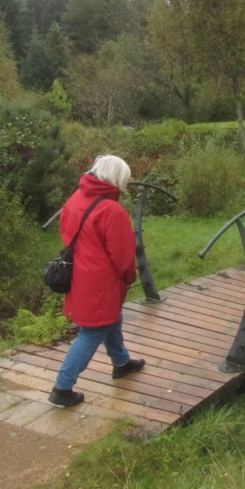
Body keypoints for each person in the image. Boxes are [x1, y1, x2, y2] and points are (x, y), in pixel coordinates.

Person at [48, 154, 145, 408]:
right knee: (91, 332)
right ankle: (62, 387)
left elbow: (67, 235)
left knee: (110, 318)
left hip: (80, 275)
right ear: (116, 179)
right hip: (101, 282)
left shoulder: (75, 199)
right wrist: (129, 277)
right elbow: (123, 256)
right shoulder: (112, 210)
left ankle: (121, 362)